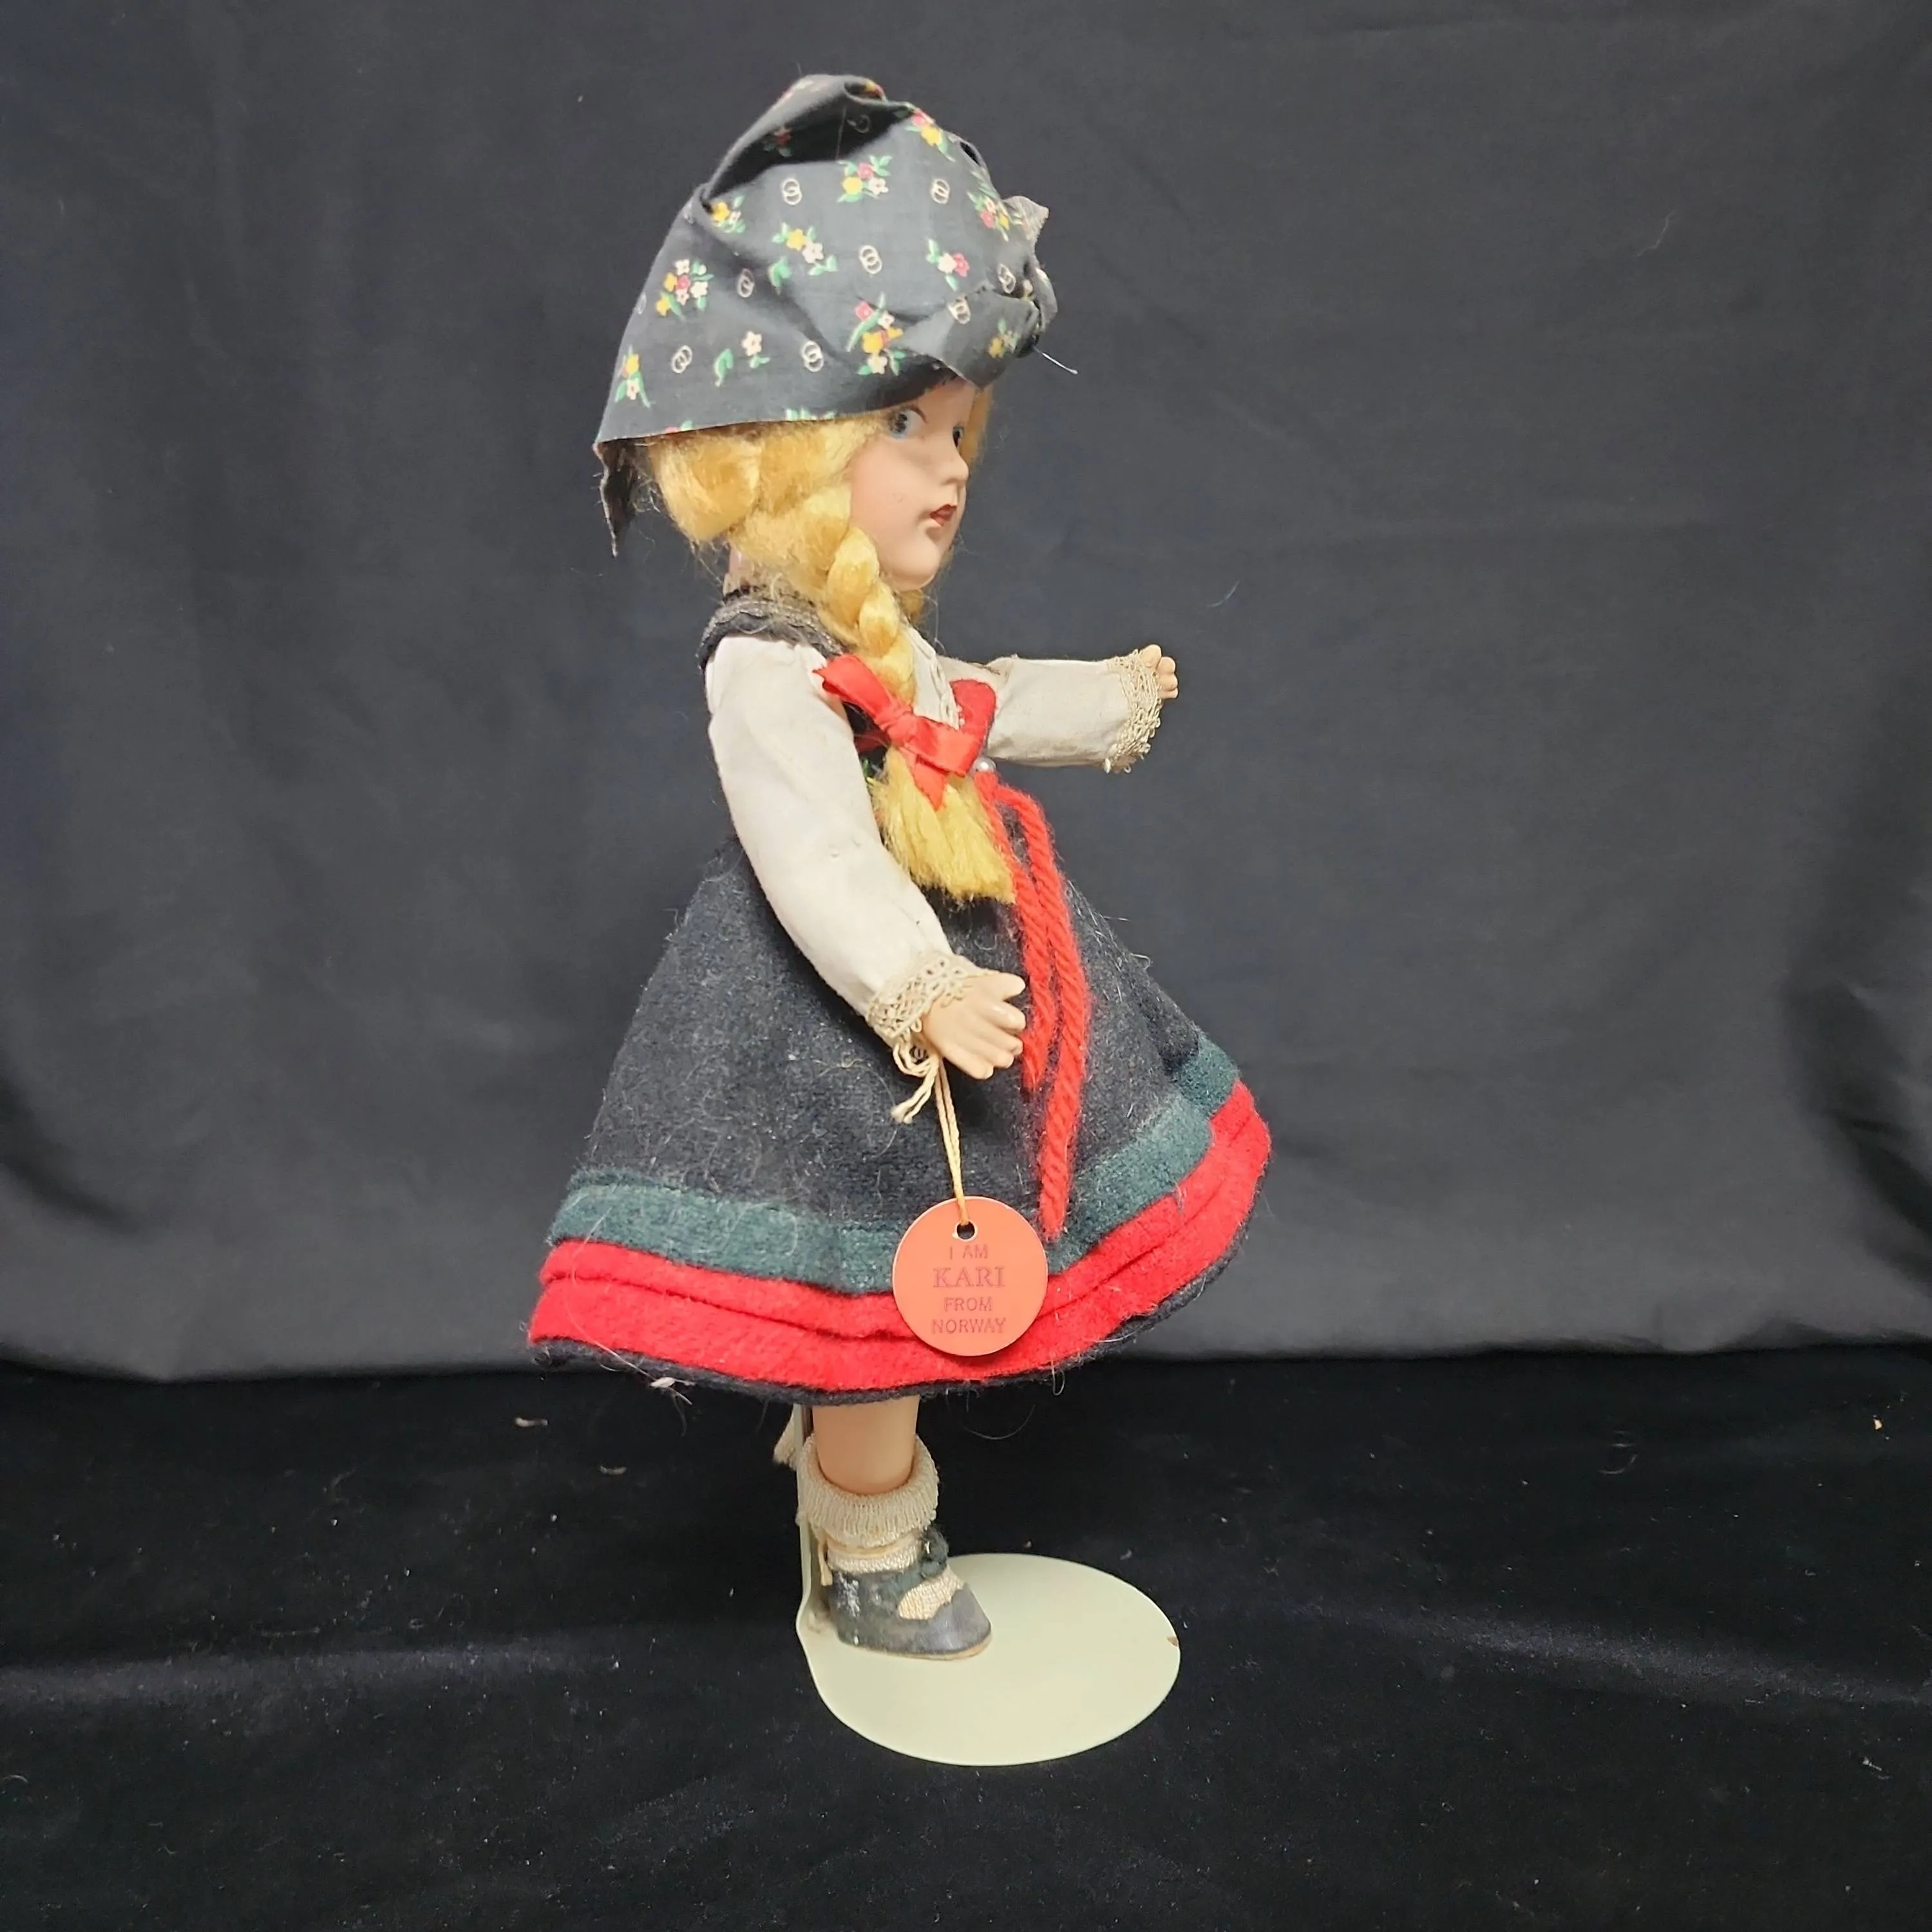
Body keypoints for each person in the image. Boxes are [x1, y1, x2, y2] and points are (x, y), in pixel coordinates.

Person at [530, 75, 1271, 1660]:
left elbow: (970, 702)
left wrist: (1104, 702)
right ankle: (869, 1541)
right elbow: (808, 848)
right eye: (901, 427)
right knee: (882, 1285)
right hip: (839, 1020)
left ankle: (844, 1475)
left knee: (912, 1270)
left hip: (934, 991)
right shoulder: (768, 662)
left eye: (953, 431)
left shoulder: (868, 648)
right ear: (780, 459)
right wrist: (916, 980)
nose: (949, 466)